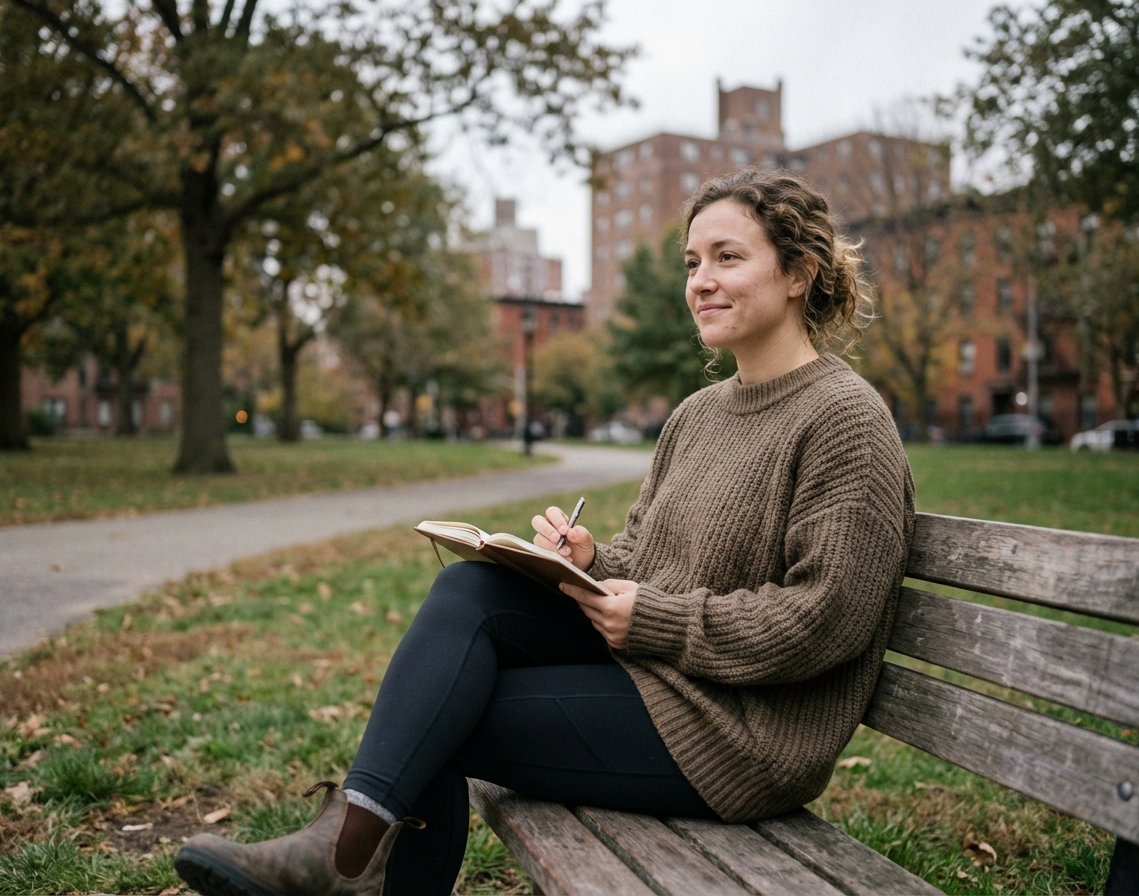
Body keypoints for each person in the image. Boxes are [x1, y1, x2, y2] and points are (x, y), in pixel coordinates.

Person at [174, 167, 916, 896]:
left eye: (728, 257)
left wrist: (655, 620)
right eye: (693, 262)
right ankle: (350, 857)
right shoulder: (699, 415)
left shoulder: (843, 419)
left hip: (740, 736)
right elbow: (655, 560)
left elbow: (826, 619)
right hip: (664, 681)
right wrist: (592, 559)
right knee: (472, 585)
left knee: (443, 715)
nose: (701, 280)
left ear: (799, 274)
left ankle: (346, 860)